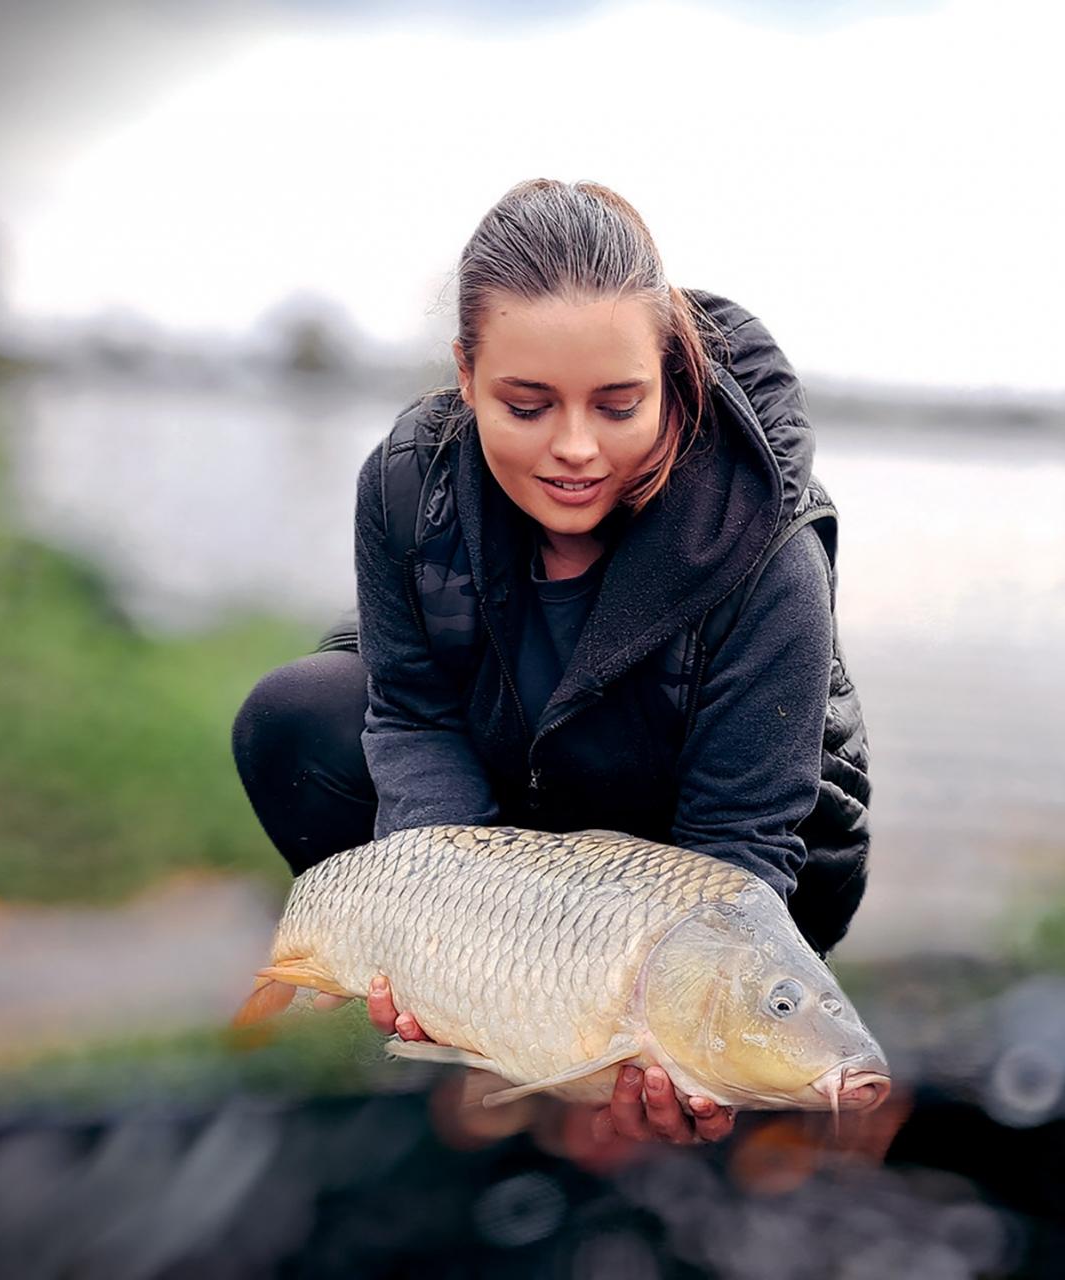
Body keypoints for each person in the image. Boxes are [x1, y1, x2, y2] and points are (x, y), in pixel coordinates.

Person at [231, 178, 871, 1147]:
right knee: (300, 714)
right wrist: (445, 937)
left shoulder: (768, 543)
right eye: (527, 405)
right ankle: (499, 1032)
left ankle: (691, 1058)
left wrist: (693, 1011)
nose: (575, 448)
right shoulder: (405, 484)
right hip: (526, 838)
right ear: (465, 373)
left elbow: (742, 831)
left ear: (669, 370)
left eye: (619, 405)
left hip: (729, 866)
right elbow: (412, 715)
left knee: (712, 1012)